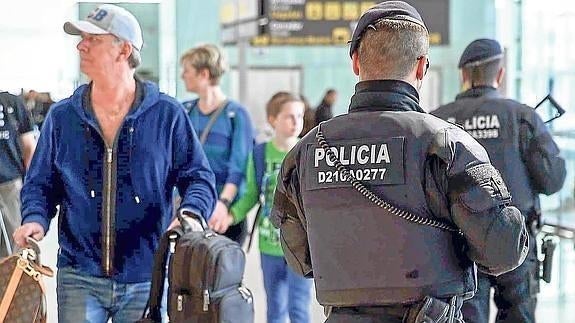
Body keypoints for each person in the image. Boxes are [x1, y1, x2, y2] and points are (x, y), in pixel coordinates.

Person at [270, 2, 529, 323]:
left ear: (355, 63)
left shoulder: (303, 153)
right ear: (421, 67)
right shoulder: (448, 145)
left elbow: (299, 259)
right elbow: (504, 251)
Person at [13, 4, 217, 322]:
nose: (81, 45)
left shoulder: (167, 115)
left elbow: (198, 176)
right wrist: (35, 218)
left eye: (92, 39)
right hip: (78, 275)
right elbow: (41, 182)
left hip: (147, 275)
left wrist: (190, 213)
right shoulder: (63, 117)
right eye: (81, 38)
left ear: (124, 49)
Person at [432, 38, 566, 323]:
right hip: (516, 242)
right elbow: (553, 180)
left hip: (456, 248)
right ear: (501, 74)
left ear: (463, 76)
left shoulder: (437, 123)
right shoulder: (522, 117)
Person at [225, 92, 313, 323]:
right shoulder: (260, 154)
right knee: (274, 308)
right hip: (269, 245)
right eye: (289, 117)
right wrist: (230, 215)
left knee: (298, 308)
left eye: (300, 116)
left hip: (301, 247)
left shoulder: (308, 152)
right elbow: (252, 195)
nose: (296, 122)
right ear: (273, 120)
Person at [180, 44, 254, 244]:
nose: (182, 76)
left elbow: (238, 166)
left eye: (186, 71)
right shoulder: (184, 111)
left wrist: (223, 204)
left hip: (222, 214)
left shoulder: (236, 115)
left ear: (203, 74)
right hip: (189, 209)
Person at [0, 91, 36, 257]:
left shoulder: (13, 103)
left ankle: (12, 281)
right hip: (12, 183)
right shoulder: (13, 102)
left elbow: (29, 148)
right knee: (14, 246)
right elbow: (29, 147)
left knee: (15, 243)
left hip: (11, 185)